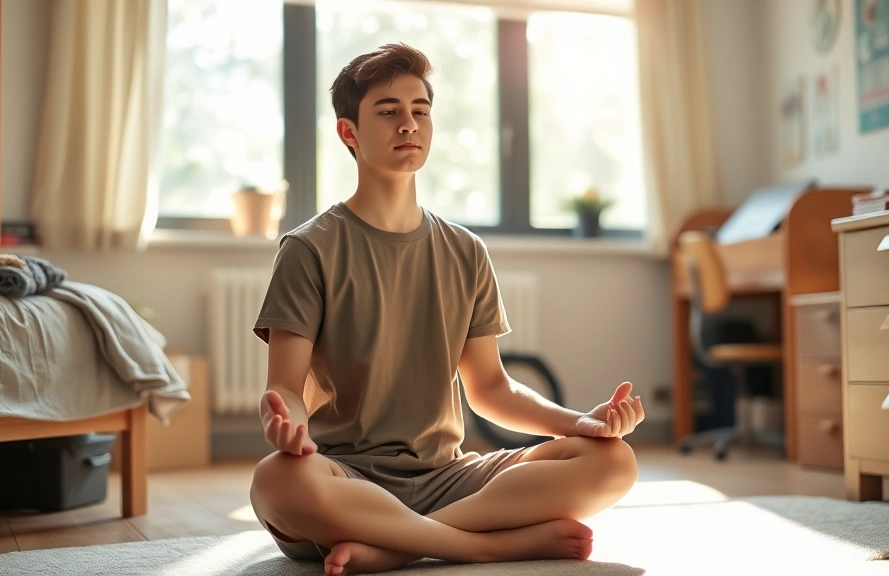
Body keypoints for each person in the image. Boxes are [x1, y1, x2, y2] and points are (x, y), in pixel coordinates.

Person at [249, 43, 645, 576]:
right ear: (350, 133)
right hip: (346, 480)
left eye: (420, 110)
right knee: (276, 481)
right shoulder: (309, 249)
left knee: (613, 461)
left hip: (450, 478)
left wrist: (581, 423)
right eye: (388, 112)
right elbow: (286, 391)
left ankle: (397, 547)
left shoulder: (465, 251)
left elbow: (491, 390)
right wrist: (289, 431)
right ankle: (485, 545)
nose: (408, 123)